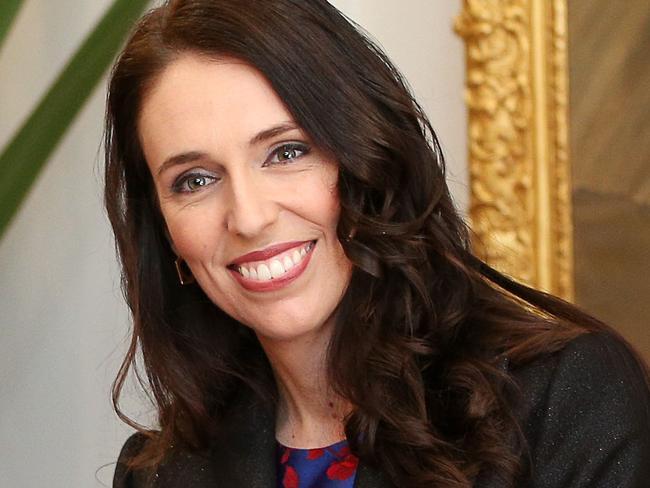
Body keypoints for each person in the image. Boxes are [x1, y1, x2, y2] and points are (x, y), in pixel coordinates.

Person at [106, 1, 650, 487]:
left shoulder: (565, 399)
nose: (248, 217)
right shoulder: (155, 475)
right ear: (163, 229)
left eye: (287, 151)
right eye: (195, 181)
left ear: (368, 157)